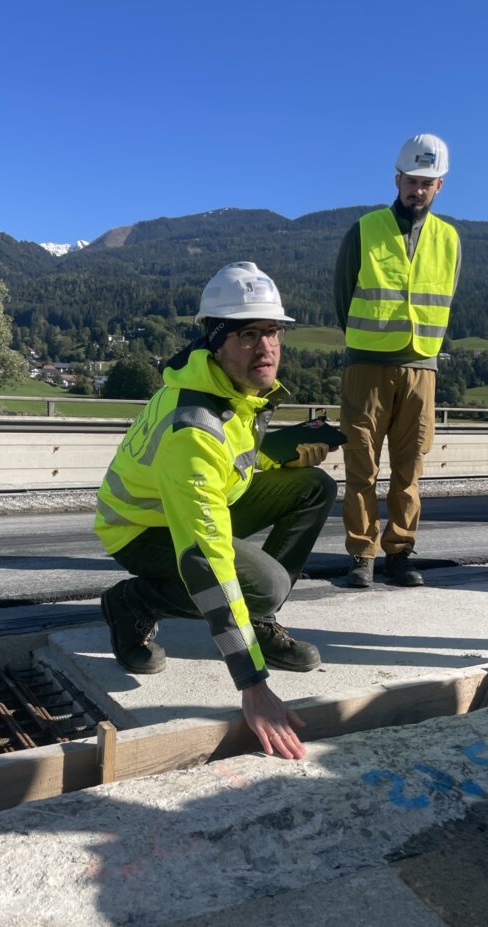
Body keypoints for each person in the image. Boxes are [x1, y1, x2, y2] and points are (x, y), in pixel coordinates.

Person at [95, 262, 337, 760]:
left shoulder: (234, 390)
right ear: (217, 340)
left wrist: (285, 449)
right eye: (249, 334)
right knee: (265, 583)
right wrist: (252, 682)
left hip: (190, 504)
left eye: (273, 332)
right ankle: (133, 602)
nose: (266, 347)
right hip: (141, 528)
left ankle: (260, 620)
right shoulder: (193, 425)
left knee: (312, 487)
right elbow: (205, 556)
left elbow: (232, 464)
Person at [334, 133, 461, 588]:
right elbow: (342, 293)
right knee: (360, 465)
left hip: (421, 366)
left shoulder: (449, 239)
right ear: (397, 179)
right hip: (366, 365)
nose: (418, 189)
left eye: (427, 182)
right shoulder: (365, 228)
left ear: (439, 185)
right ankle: (362, 555)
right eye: (411, 180)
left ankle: (400, 554)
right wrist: (362, 343)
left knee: (409, 468)